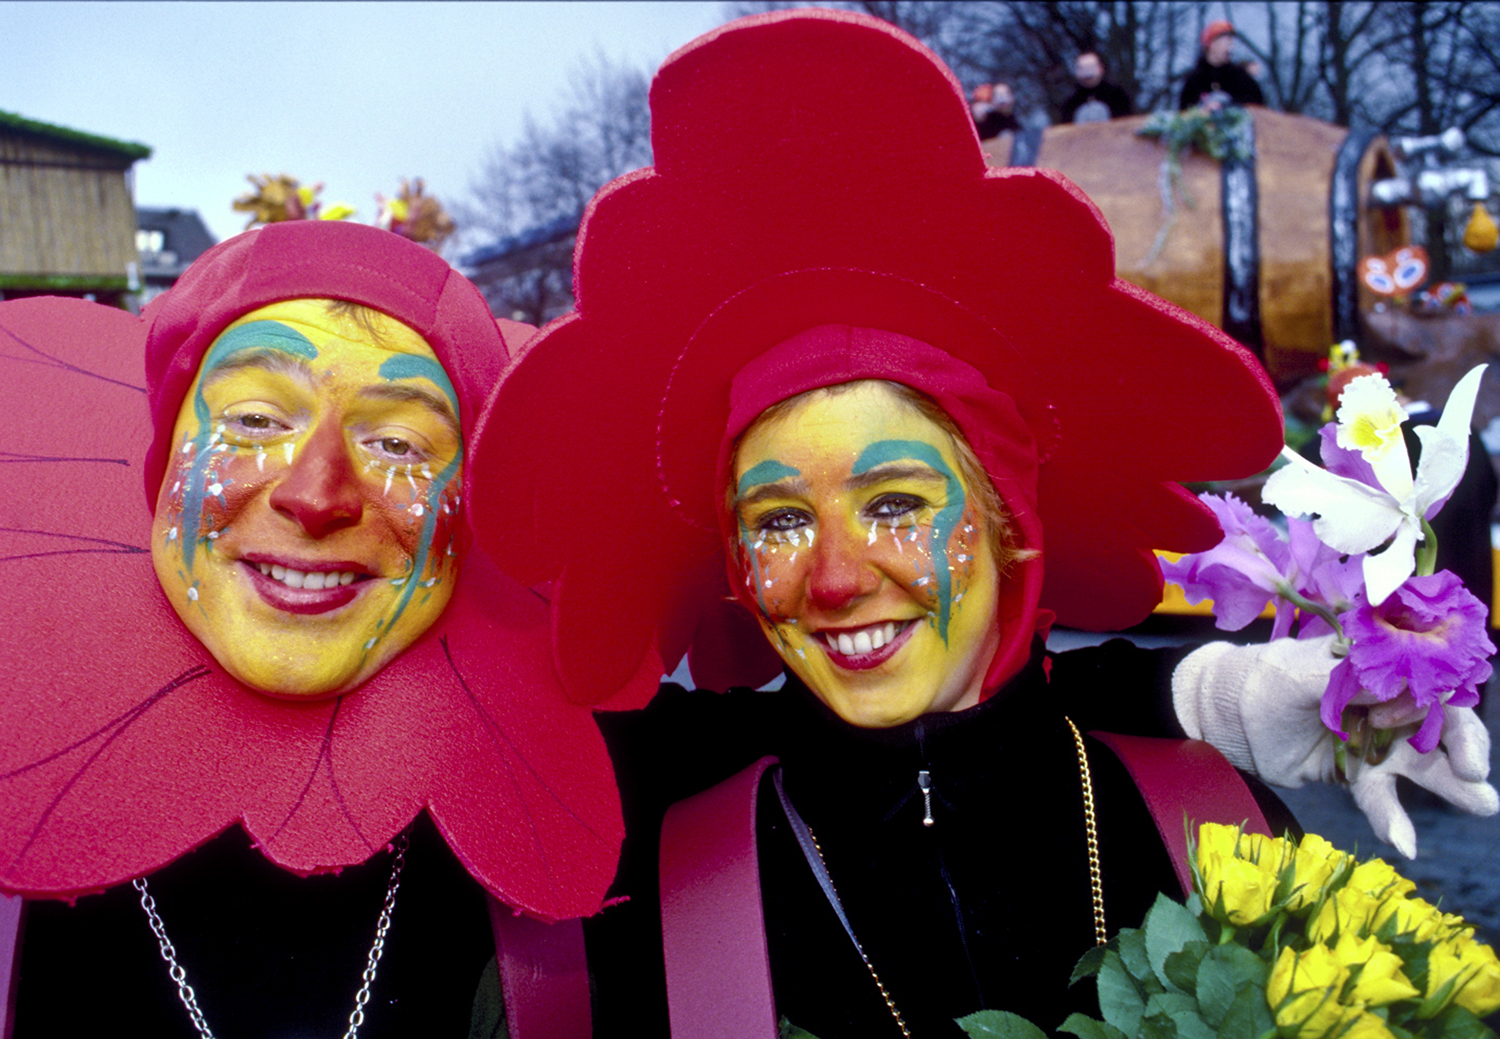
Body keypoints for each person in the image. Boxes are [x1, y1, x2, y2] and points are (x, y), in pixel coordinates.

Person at [468, 10, 1496, 1036]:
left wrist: (1208, 694)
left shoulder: (1192, 820)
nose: (832, 579)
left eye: (896, 504)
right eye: (779, 520)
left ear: (1012, 524)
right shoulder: (665, 851)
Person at [0, 220, 626, 1036]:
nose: (317, 491)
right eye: (257, 419)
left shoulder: (653, 806)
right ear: (164, 460)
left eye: (398, 441)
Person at [1179, 20, 1266, 110]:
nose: (1230, 48)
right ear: (1211, 44)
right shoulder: (1193, 82)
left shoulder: (1242, 79)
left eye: (1231, 42)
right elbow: (1184, 116)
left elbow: (1259, 110)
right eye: (1226, 42)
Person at [1060, 51, 1132, 123]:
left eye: (1091, 67)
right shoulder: (1070, 104)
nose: (1087, 73)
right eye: (1082, 68)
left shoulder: (1118, 96)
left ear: (1101, 68)